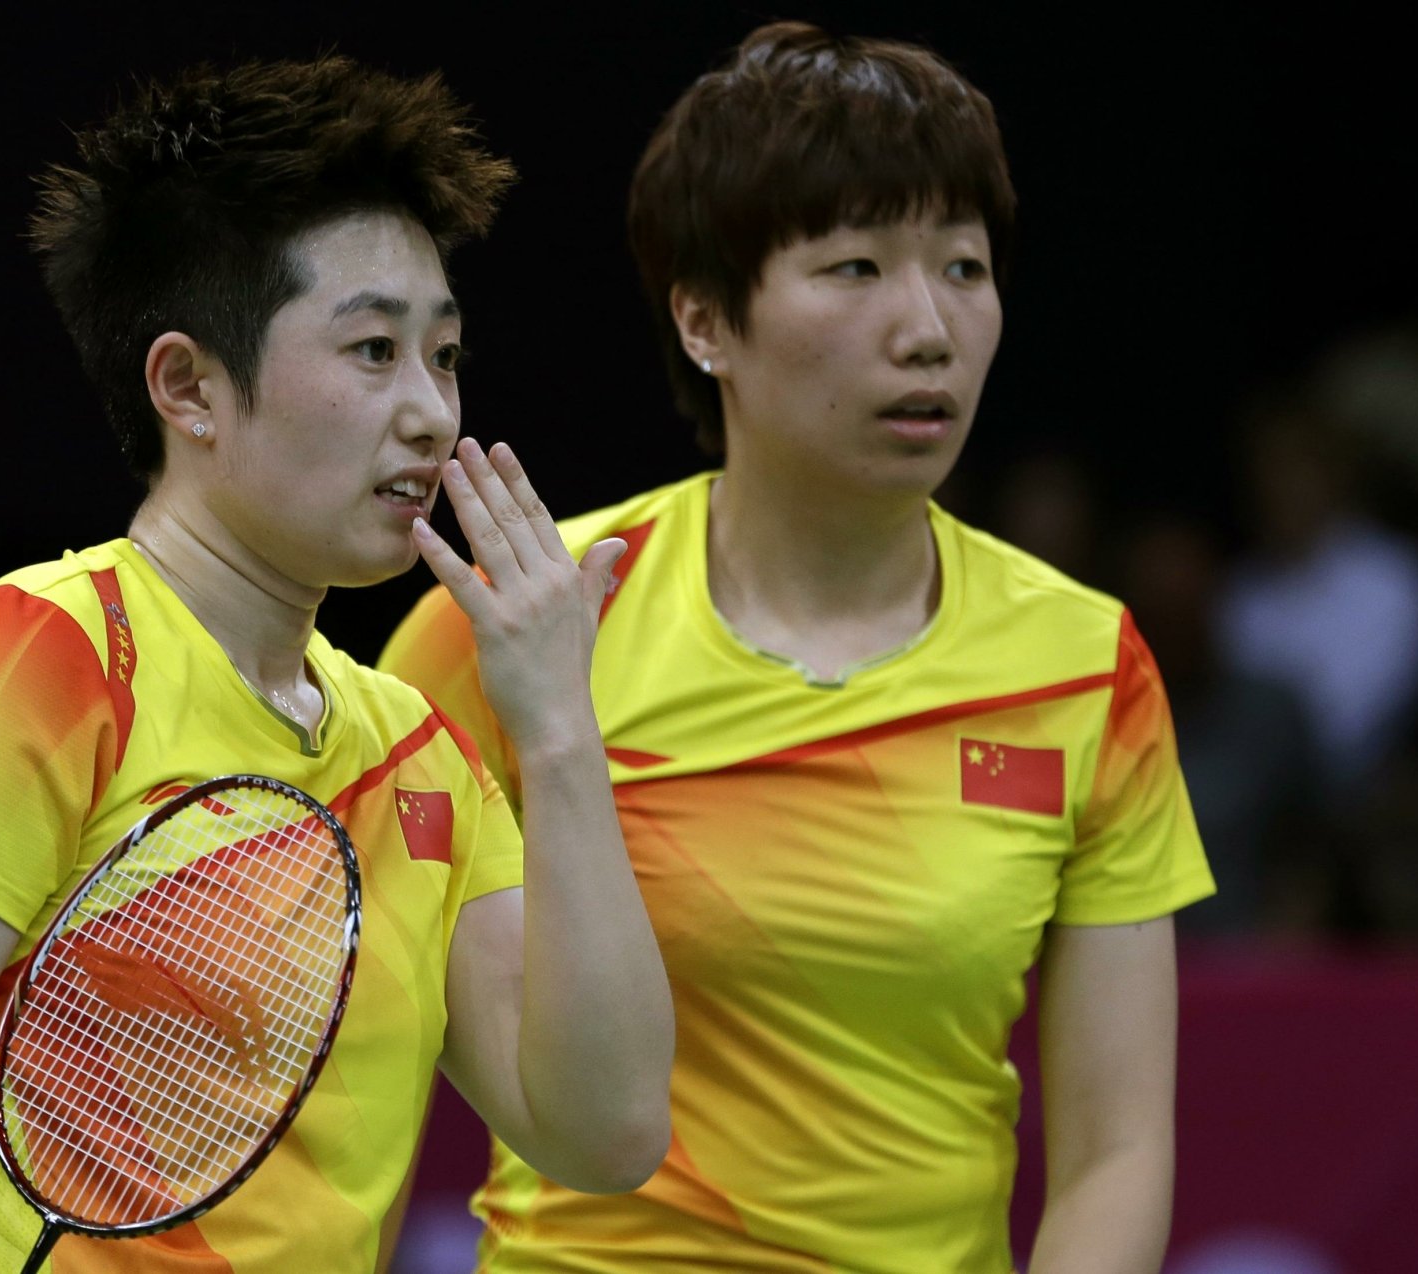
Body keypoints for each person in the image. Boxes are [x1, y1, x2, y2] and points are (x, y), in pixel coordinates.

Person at [0, 55, 672, 1274]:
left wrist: (556, 731)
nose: (433, 410)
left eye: (444, 352)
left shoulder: (415, 750)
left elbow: (609, 1129)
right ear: (189, 386)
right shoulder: (27, 670)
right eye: (374, 350)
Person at [381, 21, 1213, 1274]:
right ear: (707, 318)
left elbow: (1115, 1150)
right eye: (858, 267)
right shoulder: (520, 618)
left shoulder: (1084, 667)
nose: (929, 328)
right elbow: (355, 1060)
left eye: (966, 267)